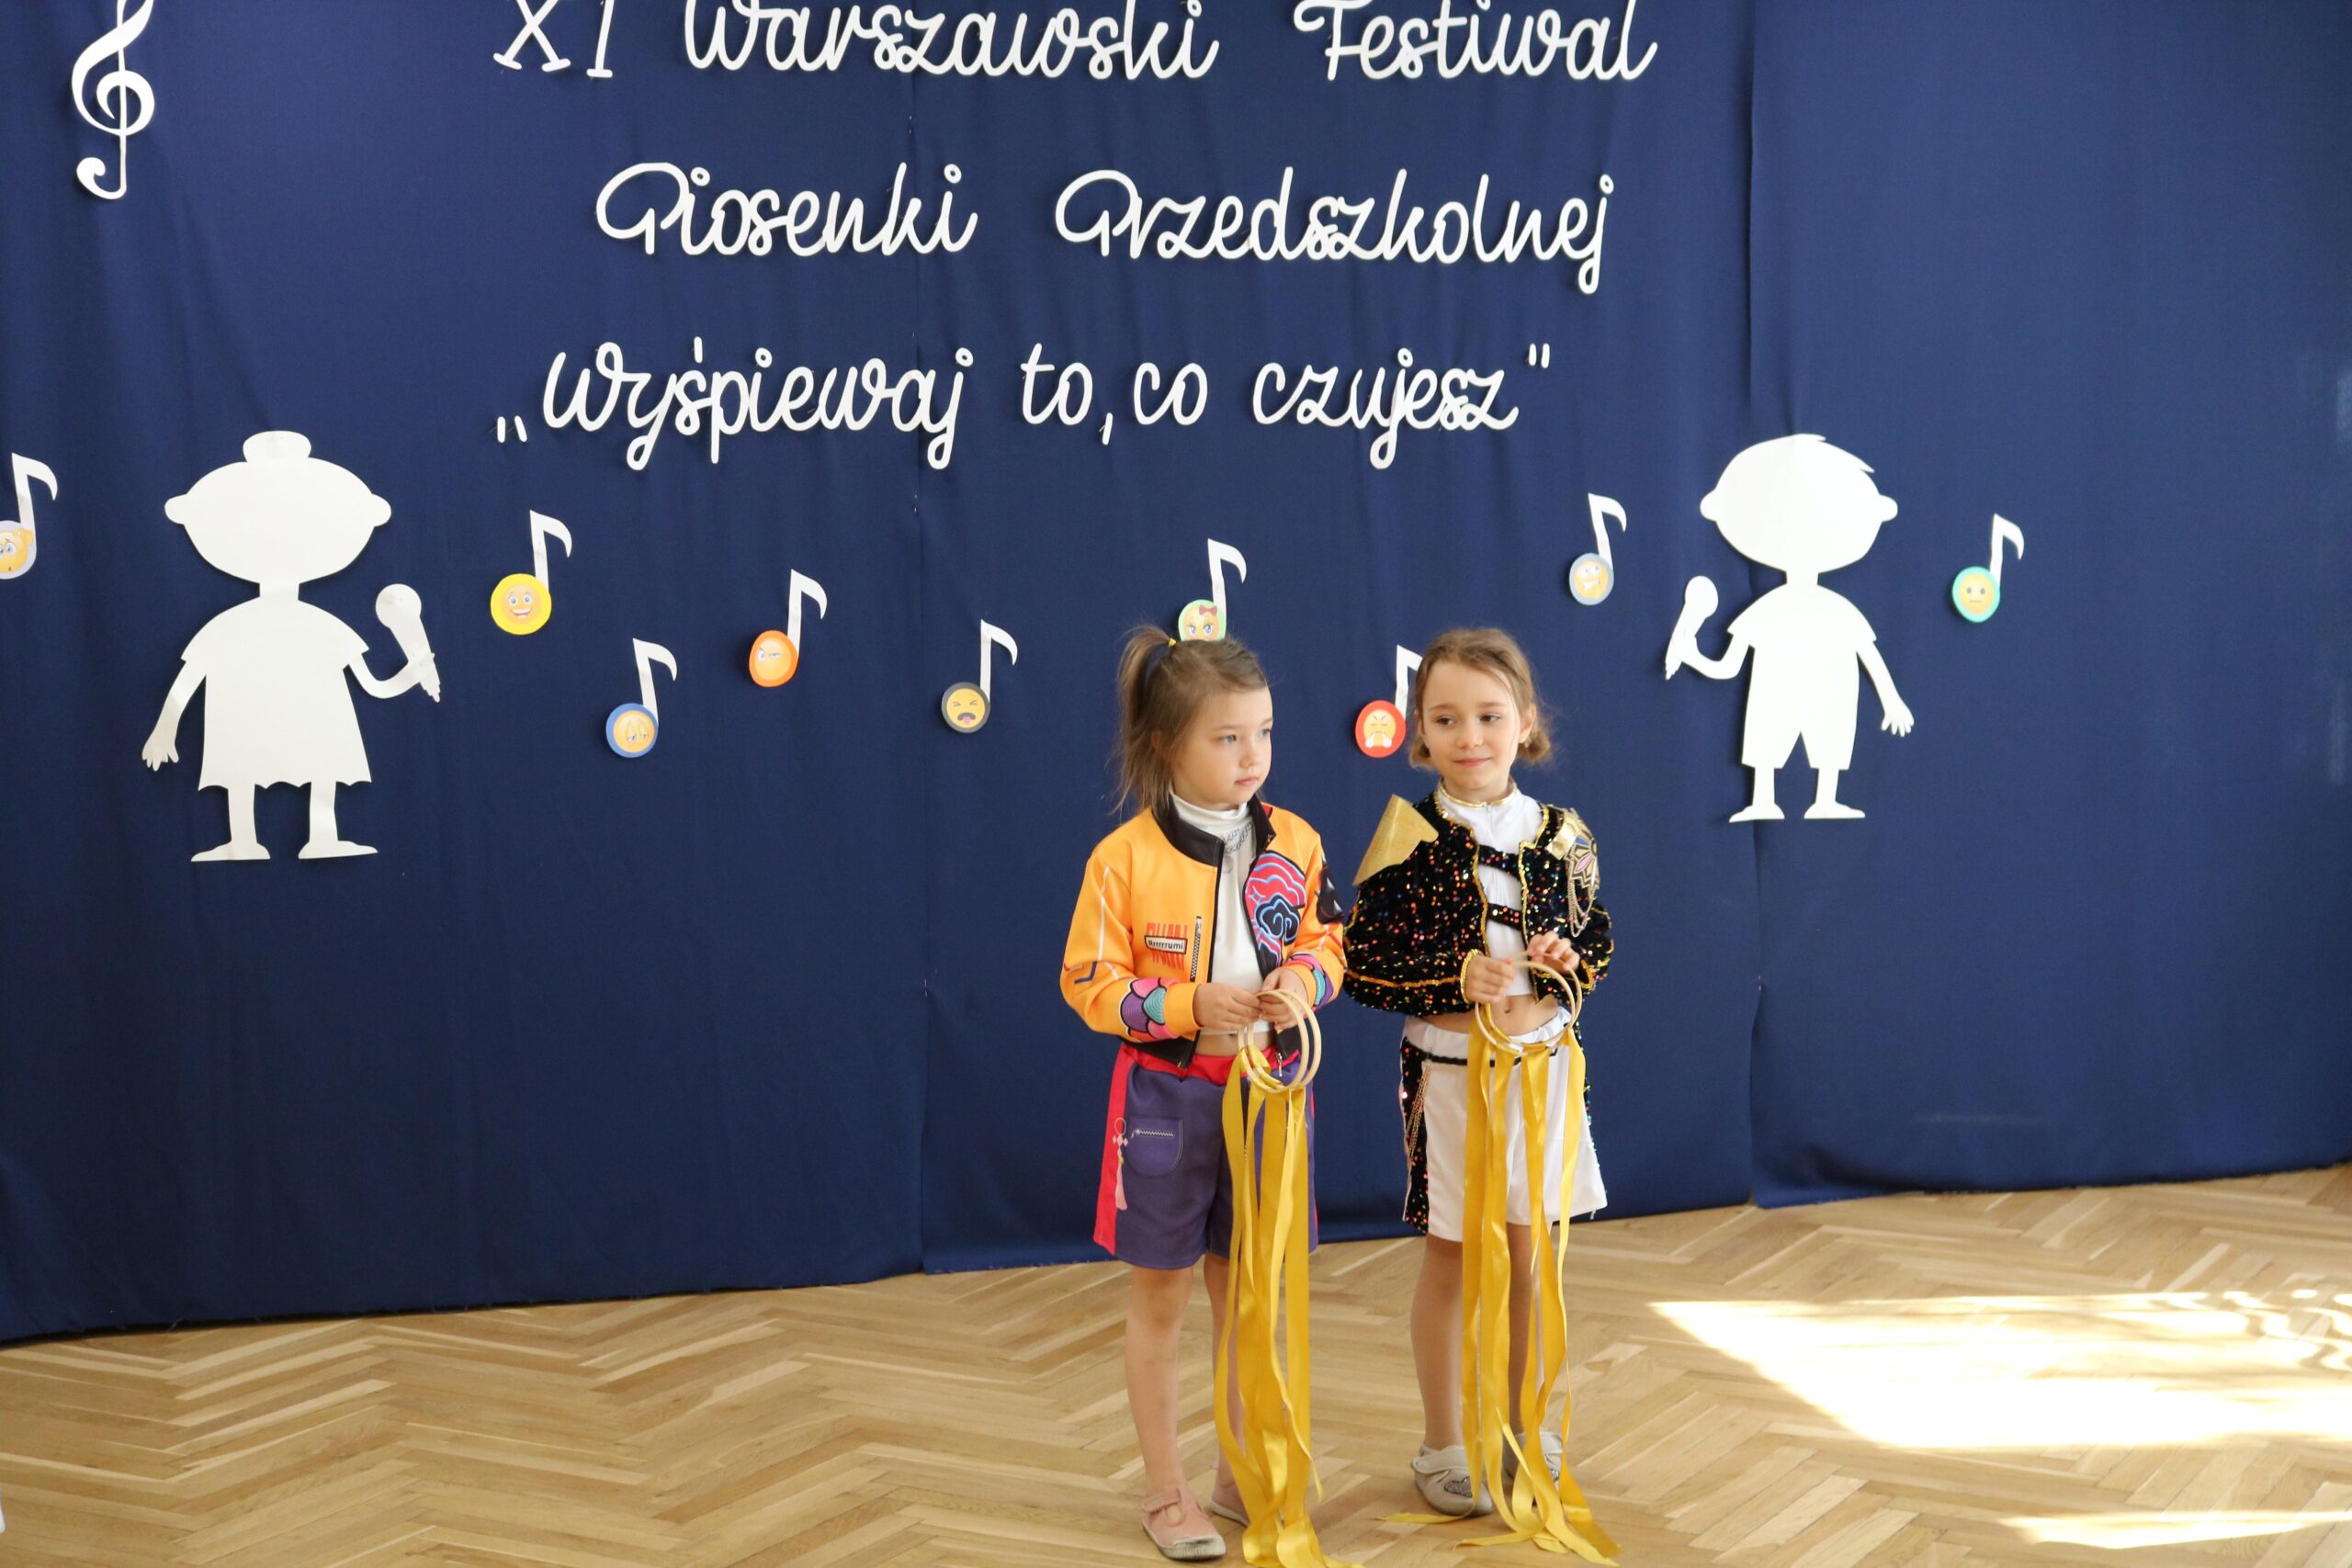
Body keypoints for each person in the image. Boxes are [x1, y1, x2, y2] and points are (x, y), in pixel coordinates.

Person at [1059, 628, 1345, 1561]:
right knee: (1162, 1298)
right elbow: (1088, 984)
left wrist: (1303, 980)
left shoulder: (1296, 840)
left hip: (1270, 1095)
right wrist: (1185, 1002)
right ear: (1166, 745)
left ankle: (1233, 1469)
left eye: (1263, 732)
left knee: (1247, 1294)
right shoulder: (1122, 858)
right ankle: (1164, 1489)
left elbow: (1327, 941)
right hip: (1165, 1102)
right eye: (1227, 737)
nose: (1252, 755)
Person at [1342, 627, 1612, 1520]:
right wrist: (1454, 976)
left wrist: (1562, 963)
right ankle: (1441, 1441)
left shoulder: (1562, 835)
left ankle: (1524, 1425)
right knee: (1452, 1259)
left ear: (1525, 722)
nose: (1470, 737)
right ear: (1420, 730)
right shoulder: (1408, 837)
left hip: (1541, 1076)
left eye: (1490, 716)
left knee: (1530, 1256)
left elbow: (1596, 937)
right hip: (1454, 1081)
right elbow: (1364, 963)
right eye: (1447, 718)